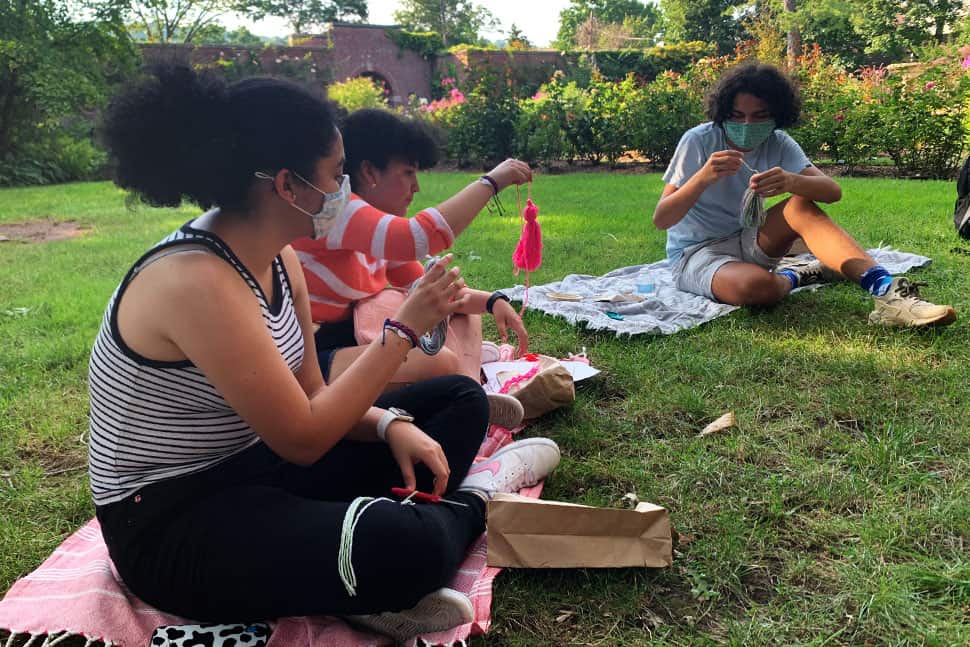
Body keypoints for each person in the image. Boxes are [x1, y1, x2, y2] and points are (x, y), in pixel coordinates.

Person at [89, 63, 561, 642]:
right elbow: (305, 437)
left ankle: (352, 566)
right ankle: (478, 497)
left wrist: (389, 424)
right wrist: (403, 333)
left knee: (459, 399)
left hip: (259, 467)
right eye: (338, 174)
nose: (345, 189)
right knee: (402, 545)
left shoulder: (280, 256)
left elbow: (314, 396)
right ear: (287, 185)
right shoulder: (194, 280)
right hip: (175, 519)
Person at [654, 62, 956, 327]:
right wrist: (702, 178)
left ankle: (887, 292)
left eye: (759, 116)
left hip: (750, 237)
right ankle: (801, 273)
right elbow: (662, 218)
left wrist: (791, 181)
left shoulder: (779, 143)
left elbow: (832, 192)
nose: (747, 125)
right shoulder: (699, 141)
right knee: (757, 288)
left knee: (800, 205)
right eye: (737, 115)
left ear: (776, 116)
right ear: (722, 114)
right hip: (697, 254)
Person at [291, 108, 531, 425]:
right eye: (407, 173)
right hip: (316, 362)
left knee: (461, 313)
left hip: (358, 344)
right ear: (369, 172)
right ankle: (462, 394)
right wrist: (491, 181)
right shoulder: (339, 212)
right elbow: (420, 236)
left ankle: (472, 393)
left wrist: (491, 300)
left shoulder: (377, 237)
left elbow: (435, 295)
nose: (416, 187)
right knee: (439, 362)